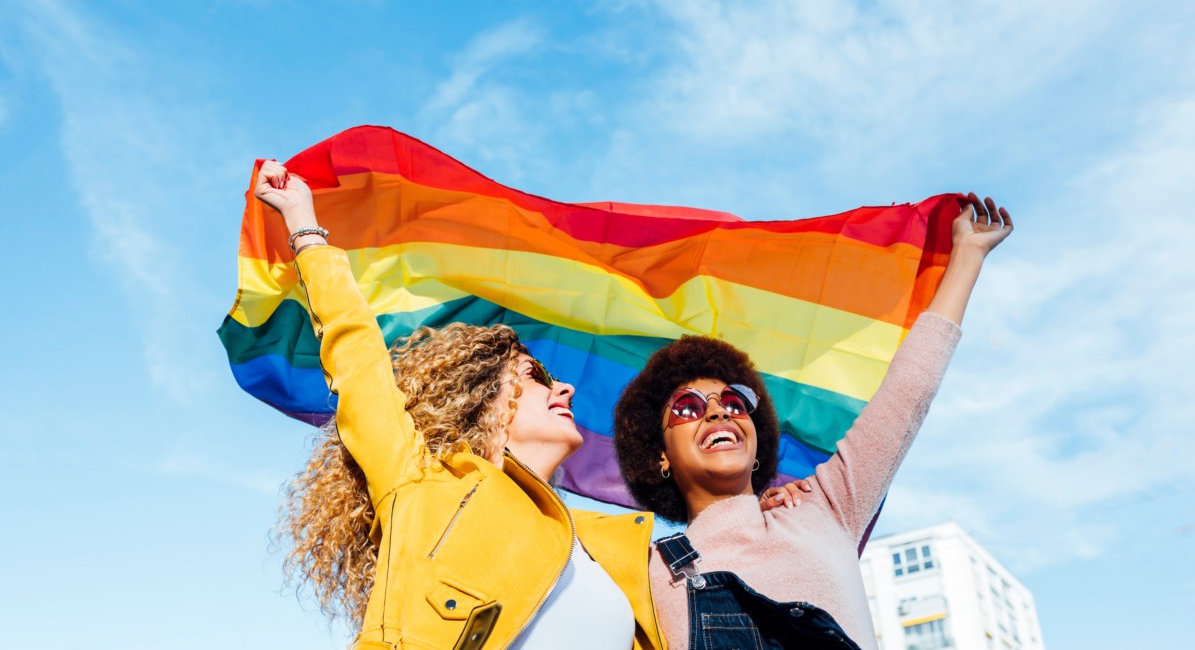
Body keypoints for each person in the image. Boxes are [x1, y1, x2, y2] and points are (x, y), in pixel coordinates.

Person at [254, 160, 809, 650]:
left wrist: (751, 510)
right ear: (483, 401)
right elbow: (358, 358)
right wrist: (304, 227)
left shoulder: (611, 546)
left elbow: (710, 583)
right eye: (537, 377)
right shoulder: (422, 488)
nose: (564, 390)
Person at [612, 195, 1013, 650]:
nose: (718, 411)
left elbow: (908, 391)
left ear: (758, 441)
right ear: (658, 455)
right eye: (687, 407)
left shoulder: (828, 508)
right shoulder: (647, 572)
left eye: (734, 402)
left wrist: (968, 255)